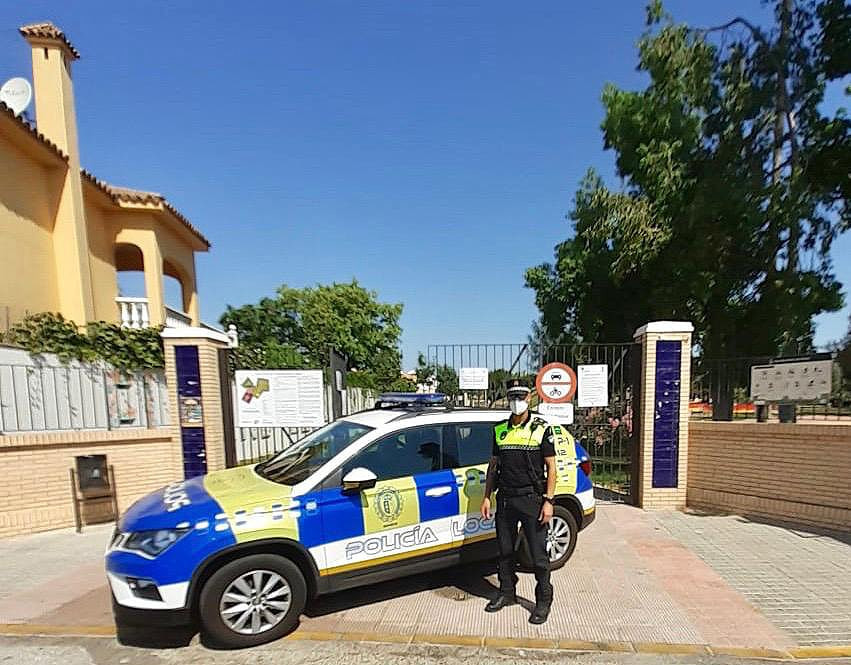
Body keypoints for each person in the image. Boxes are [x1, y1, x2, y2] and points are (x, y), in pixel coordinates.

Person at [480, 379, 556, 624]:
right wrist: (486, 497)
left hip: (532, 499)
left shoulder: (542, 428)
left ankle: (543, 600)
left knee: (537, 556)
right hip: (506, 499)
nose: (516, 402)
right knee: (504, 551)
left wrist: (549, 501)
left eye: (521, 397)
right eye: (513, 397)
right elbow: (493, 467)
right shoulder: (499, 429)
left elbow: (551, 469)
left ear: (529, 398)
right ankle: (507, 592)